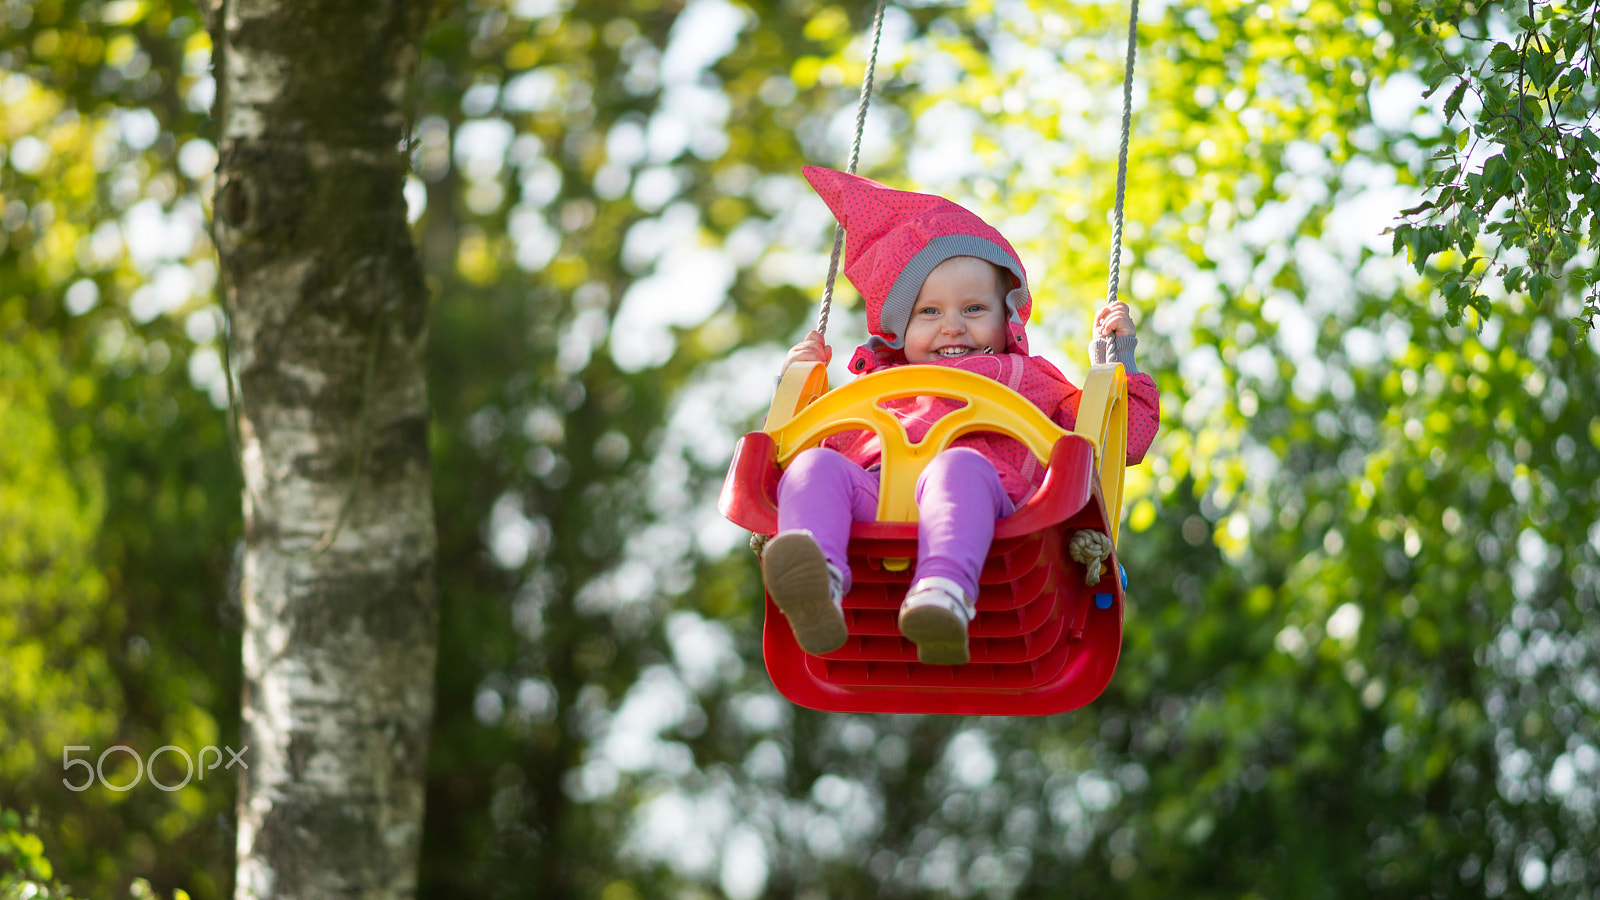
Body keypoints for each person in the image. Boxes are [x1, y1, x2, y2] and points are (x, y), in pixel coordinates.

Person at [760, 166, 1162, 665]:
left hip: (996, 523)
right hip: (875, 512)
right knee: (813, 470)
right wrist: (793, 388)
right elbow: (792, 458)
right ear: (898, 330)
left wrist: (1117, 361)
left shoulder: (1028, 377)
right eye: (928, 313)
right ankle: (819, 580)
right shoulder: (876, 389)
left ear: (1007, 319)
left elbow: (1124, 439)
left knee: (956, 469)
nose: (952, 326)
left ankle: (943, 593)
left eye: (973, 309)